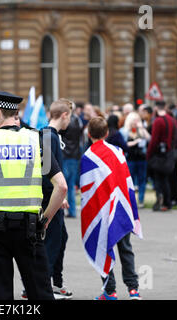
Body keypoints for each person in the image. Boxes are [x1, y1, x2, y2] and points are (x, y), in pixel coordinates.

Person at [0, 89, 67, 300]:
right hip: (30, 226)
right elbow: (61, 187)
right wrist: (45, 219)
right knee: (40, 291)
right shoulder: (37, 140)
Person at [82, 117, 142, 300]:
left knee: (101, 246)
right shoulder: (118, 152)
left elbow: (87, 191)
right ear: (107, 133)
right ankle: (134, 290)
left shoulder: (88, 156)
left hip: (101, 211)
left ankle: (110, 291)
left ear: (89, 134)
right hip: (121, 207)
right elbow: (126, 181)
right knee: (126, 248)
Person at [40, 98, 73, 299]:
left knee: (60, 238)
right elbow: (46, 171)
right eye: (70, 116)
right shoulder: (48, 136)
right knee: (52, 241)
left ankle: (55, 282)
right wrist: (57, 196)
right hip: (49, 197)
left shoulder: (51, 135)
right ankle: (43, 284)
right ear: (64, 115)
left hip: (54, 195)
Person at [146, 100, 177, 212]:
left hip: (158, 154)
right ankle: (167, 202)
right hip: (169, 153)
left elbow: (154, 140)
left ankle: (161, 198)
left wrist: (148, 154)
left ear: (156, 108)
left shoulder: (158, 121)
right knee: (166, 179)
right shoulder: (172, 120)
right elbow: (175, 137)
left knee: (159, 180)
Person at [120, 112, 150, 208]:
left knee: (142, 180)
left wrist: (142, 128)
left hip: (141, 158)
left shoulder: (141, 130)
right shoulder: (124, 131)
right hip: (130, 158)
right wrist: (134, 142)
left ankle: (141, 200)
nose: (136, 122)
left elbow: (149, 139)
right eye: (134, 120)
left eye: (137, 120)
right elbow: (123, 144)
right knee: (130, 181)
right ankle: (130, 200)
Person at [59, 101, 83, 218]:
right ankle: (72, 210)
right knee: (71, 185)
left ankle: (62, 210)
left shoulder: (67, 122)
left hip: (65, 155)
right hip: (75, 155)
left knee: (62, 185)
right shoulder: (78, 120)